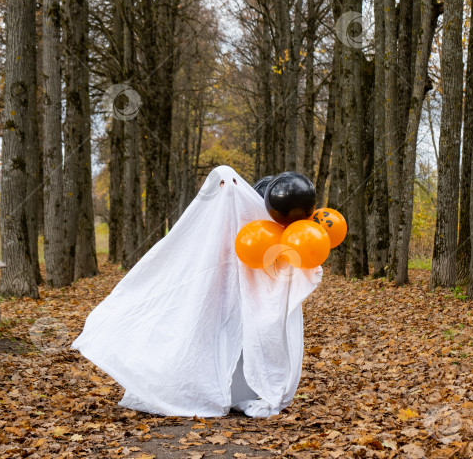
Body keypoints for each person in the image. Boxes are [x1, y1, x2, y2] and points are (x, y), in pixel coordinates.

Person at [71, 165, 322, 417]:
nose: (228, 193)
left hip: (242, 300)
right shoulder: (207, 226)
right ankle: (222, 389)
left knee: (238, 339)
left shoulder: (257, 227)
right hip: (213, 299)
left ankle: (239, 391)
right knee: (213, 339)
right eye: (224, 187)